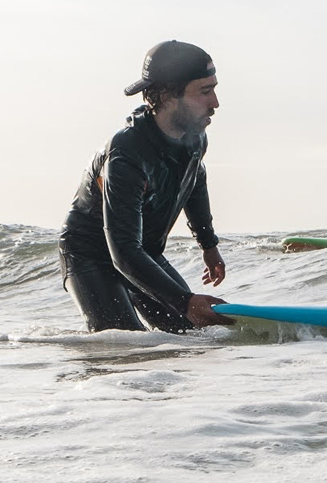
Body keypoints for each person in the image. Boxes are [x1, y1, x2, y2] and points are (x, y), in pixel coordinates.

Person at [57, 40, 235, 332]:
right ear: (166, 95)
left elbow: (195, 180)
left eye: (214, 89)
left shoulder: (195, 138)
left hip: (141, 252)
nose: (215, 102)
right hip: (91, 254)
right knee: (123, 343)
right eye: (205, 91)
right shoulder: (127, 155)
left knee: (191, 334)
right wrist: (185, 301)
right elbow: (123, 251)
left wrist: (208, 244)